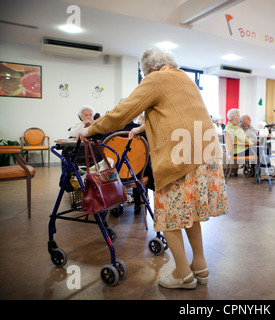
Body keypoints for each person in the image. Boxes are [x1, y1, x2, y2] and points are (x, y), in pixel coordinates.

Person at [78, 48, 228, 290]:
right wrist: (143, 128)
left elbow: (123, 111)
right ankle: (200, 266)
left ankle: (182, 274)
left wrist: (91, 129)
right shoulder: (183, 77)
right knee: (191, 213)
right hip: (207, 154)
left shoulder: (155, 79)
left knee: (168, 216)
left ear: (146, 70)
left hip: (181, 157)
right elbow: (177, 114)